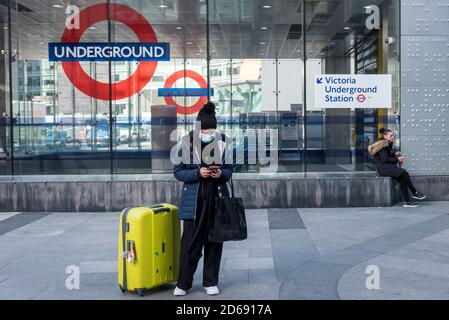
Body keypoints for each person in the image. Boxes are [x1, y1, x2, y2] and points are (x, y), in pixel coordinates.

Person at [173, 102, 233, 296]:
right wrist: (198, 173)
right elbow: (178, 172)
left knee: (214, 242)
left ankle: (210, 282)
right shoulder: (186, 143)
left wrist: (220, 174)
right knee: (190, 243)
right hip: (194, 201)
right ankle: (183, 283)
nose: (208, 133)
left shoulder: (224, 142)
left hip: (216, 200)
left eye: (211, 130)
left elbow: (230, 171)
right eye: (205, 130)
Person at [368, 128, 427, 208]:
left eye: (393, 135)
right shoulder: (382, 144)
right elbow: (385, 159)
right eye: (391, 136)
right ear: (385, 136)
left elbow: (386, 154)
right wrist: (398, 159)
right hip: (383, 168)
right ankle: (415, 192)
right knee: (404, 173)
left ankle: (407, 202)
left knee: (402, 179)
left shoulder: (387, 143)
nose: (393, 137)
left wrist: (394, 154)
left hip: (386, 167)